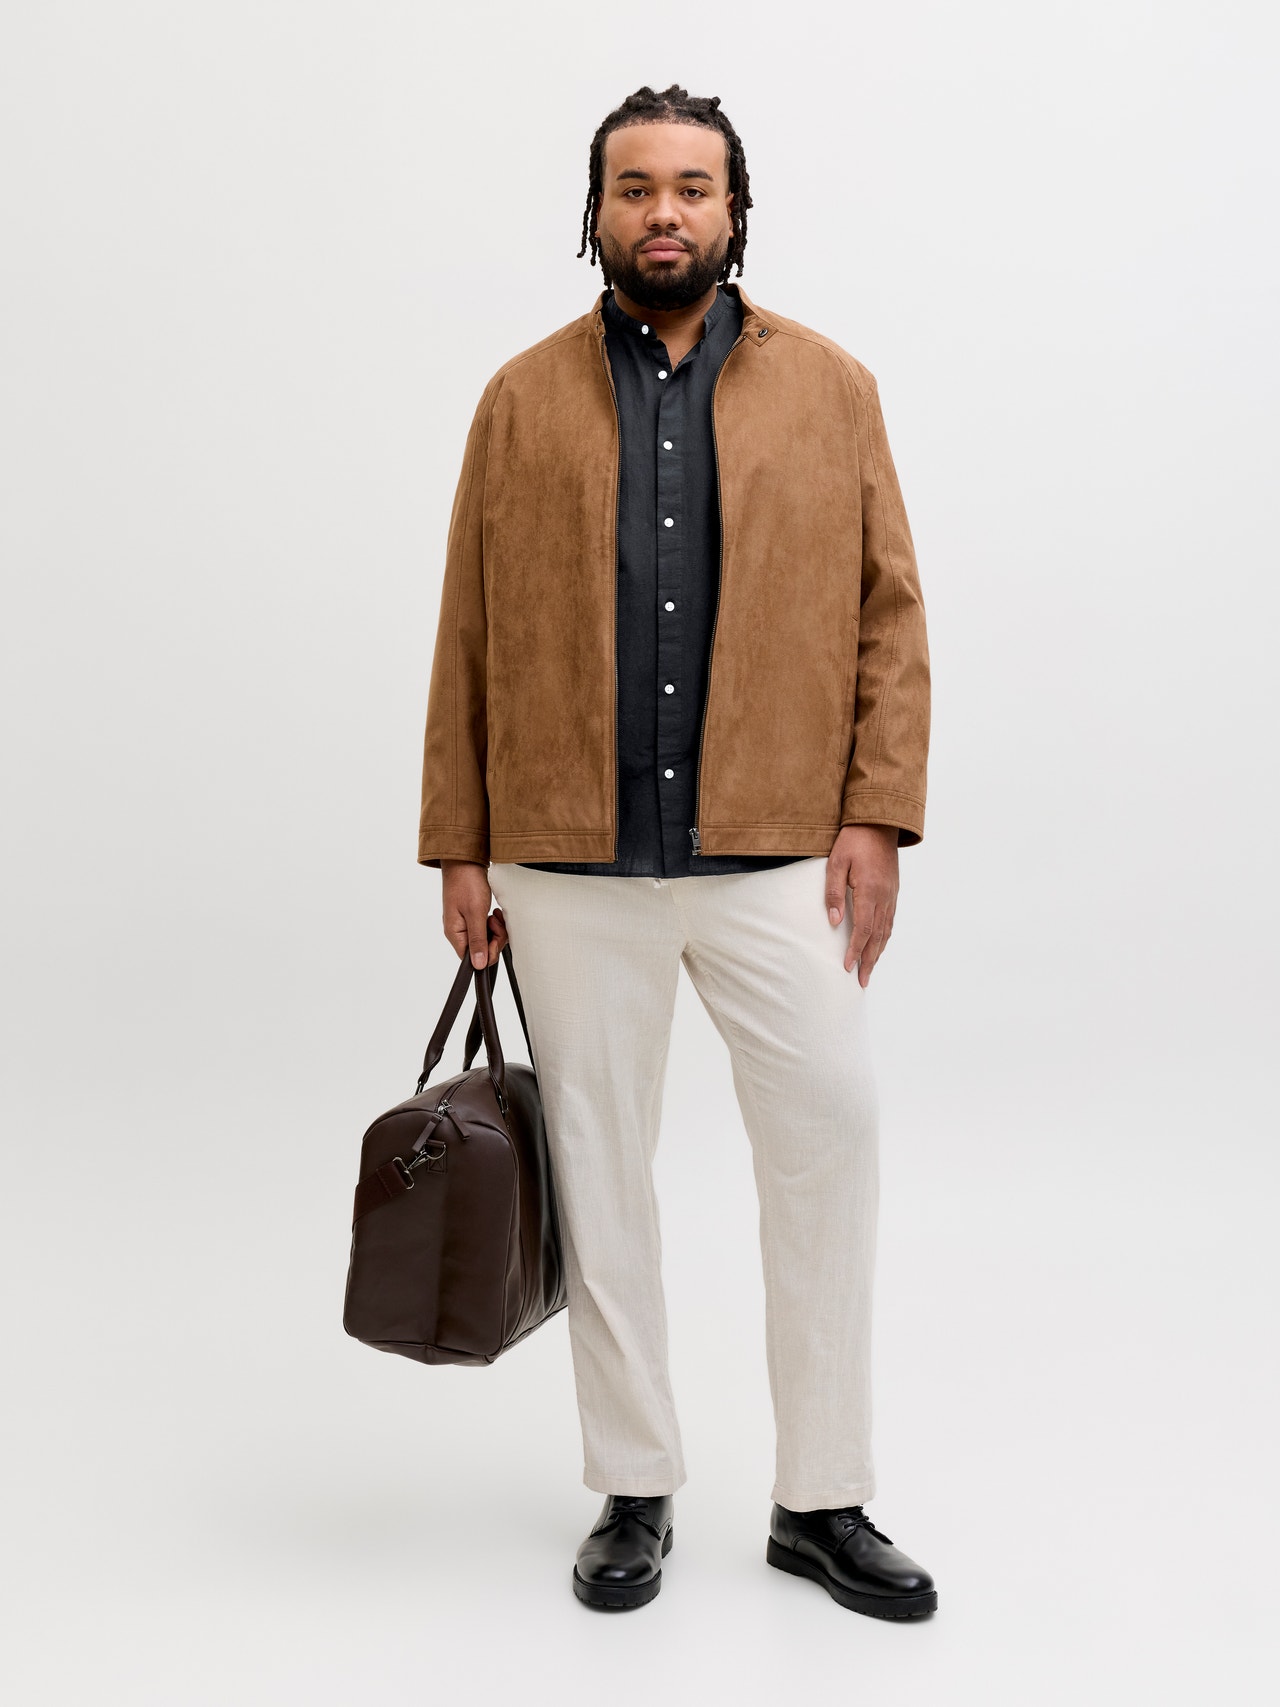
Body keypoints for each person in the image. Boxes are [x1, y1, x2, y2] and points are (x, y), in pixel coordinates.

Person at [416, 83, 936, 1618]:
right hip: (565, 859)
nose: (664, 212)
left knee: (830, 1140)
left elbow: (890, 616)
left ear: (734, 209)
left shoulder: (832, 390)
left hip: (776, 853)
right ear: (596, 213)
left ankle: (821, 1499)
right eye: (635, 187)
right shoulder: (519, 400)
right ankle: (633, 1484)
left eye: (692, 187)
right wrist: (461, 846)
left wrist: (875, 813)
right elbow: (466, 633)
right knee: (599, 1171)